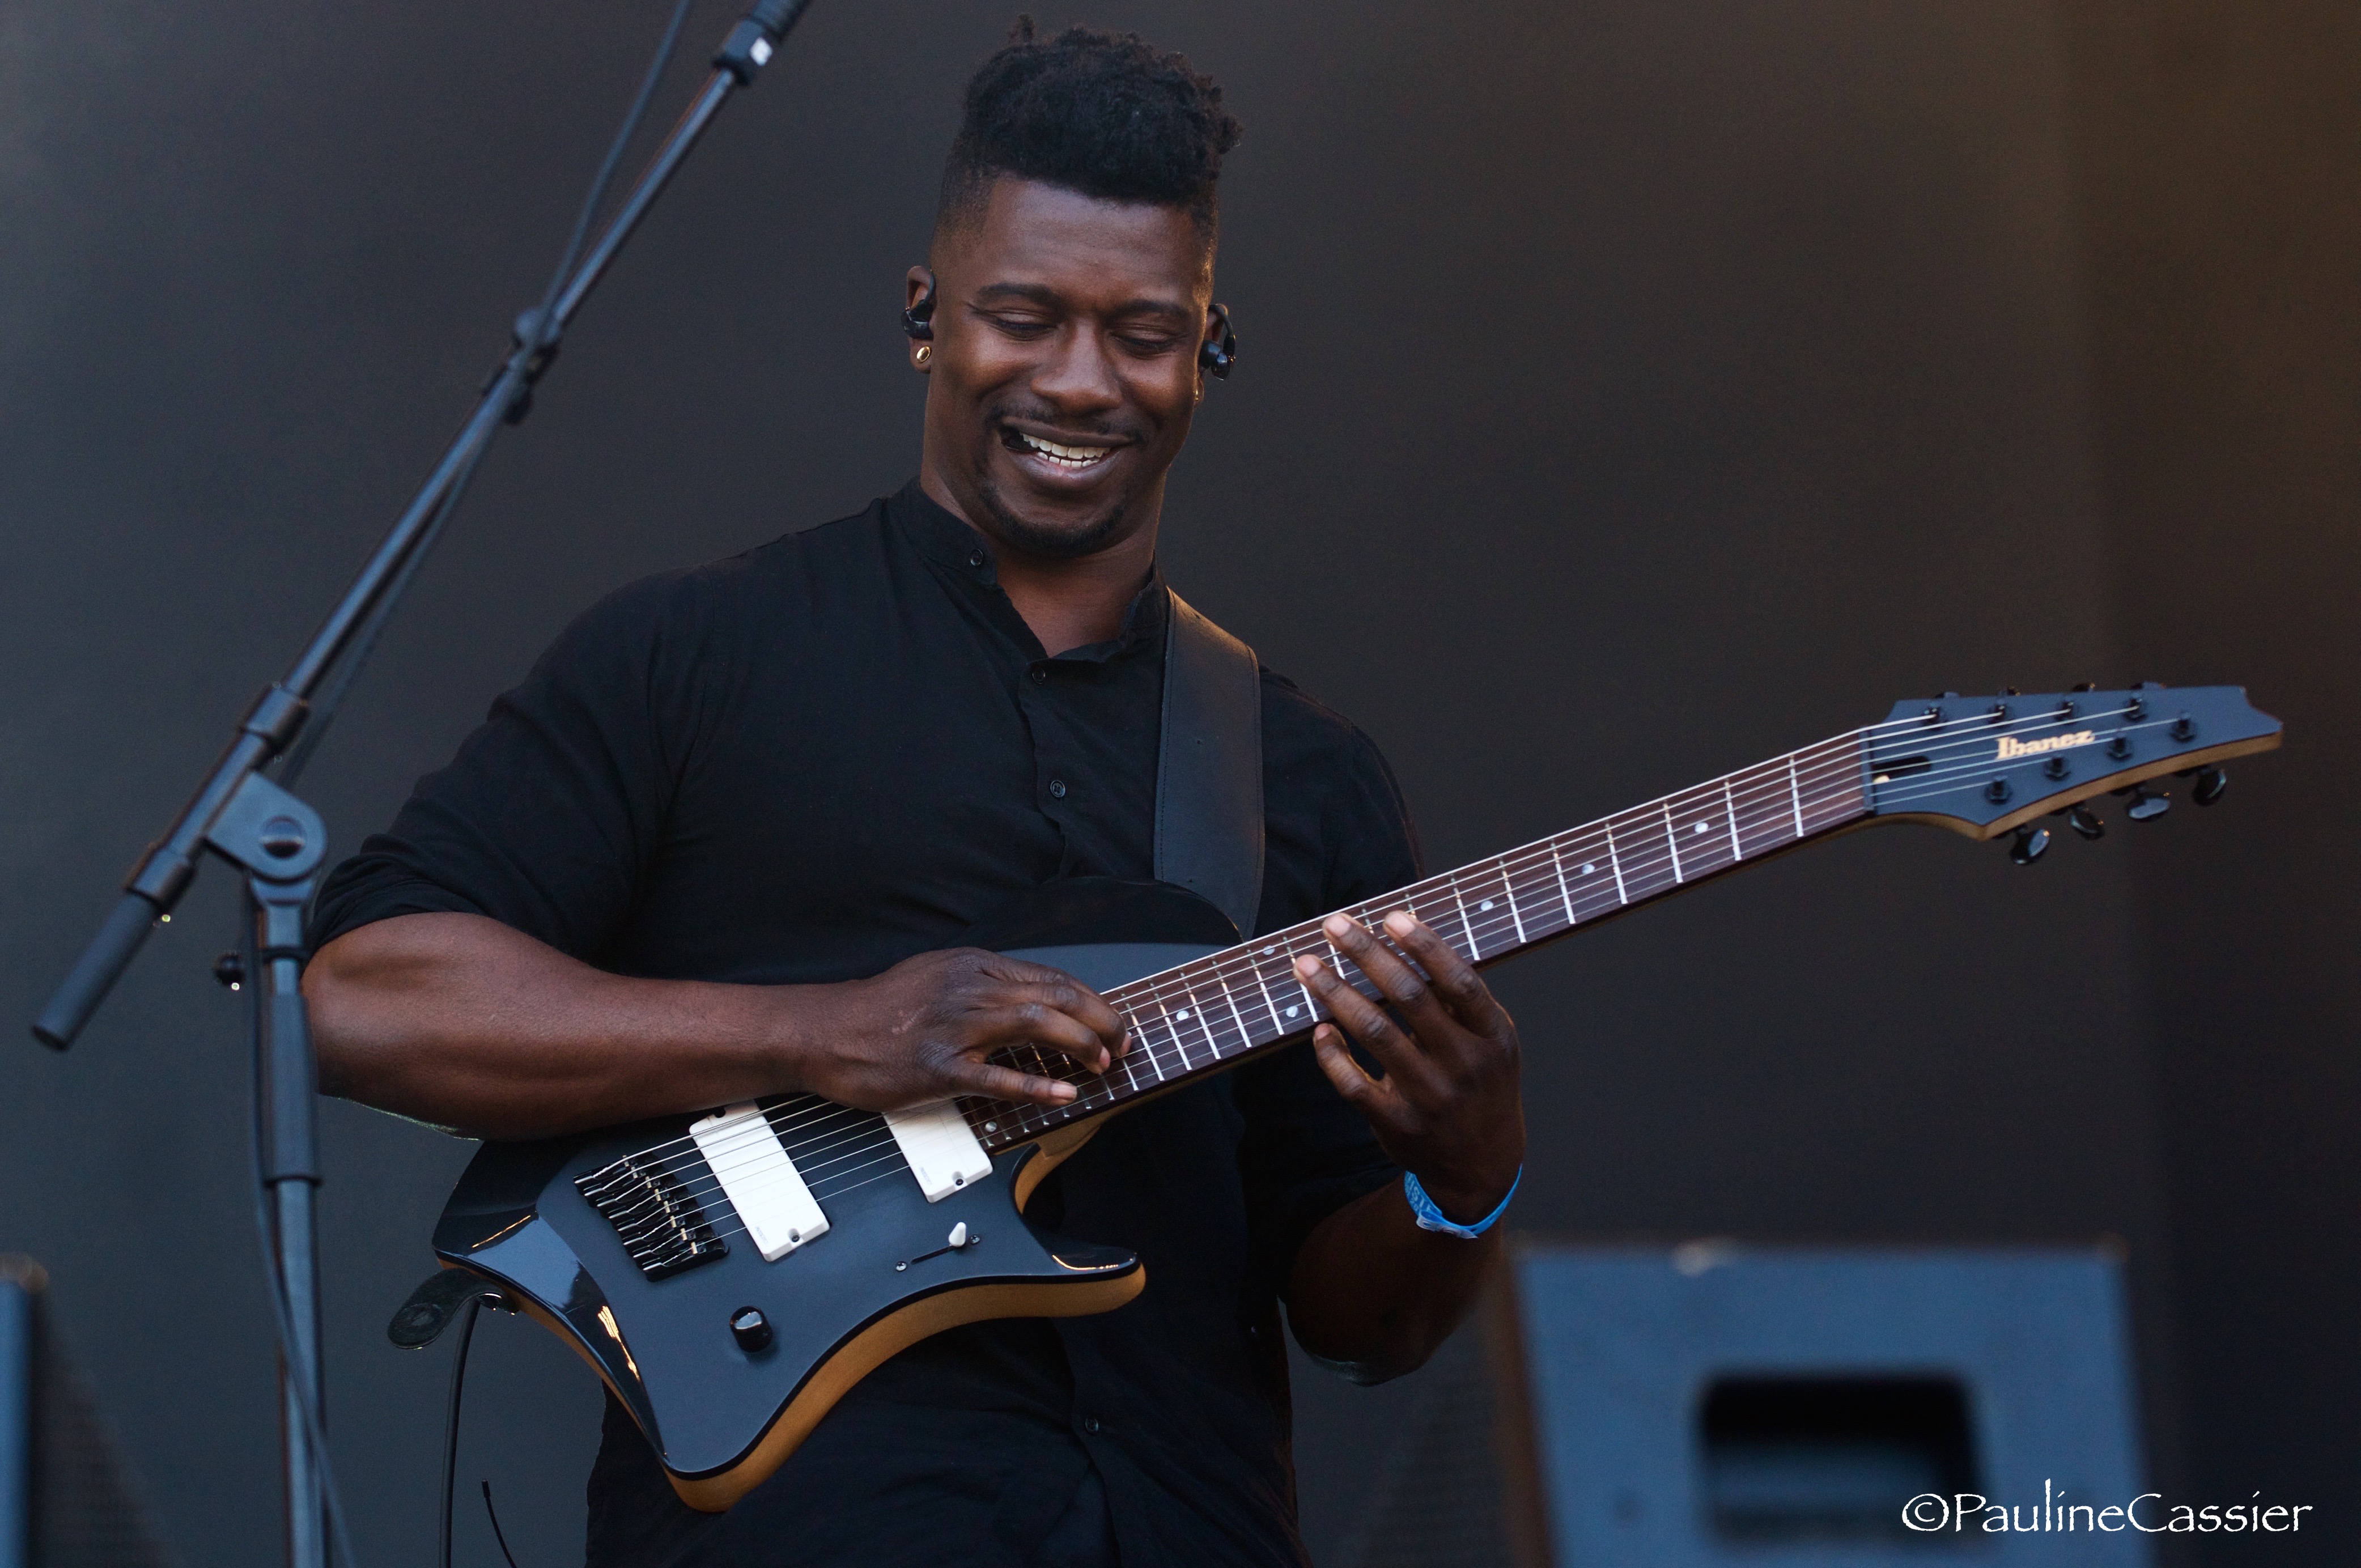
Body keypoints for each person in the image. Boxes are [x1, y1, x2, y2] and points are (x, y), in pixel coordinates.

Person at [304, 22, 1526, 1568]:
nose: (1080, 380)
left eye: (1143, 333)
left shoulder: (1302, 773)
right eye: (1026, 317)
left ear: (1209, 348)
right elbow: (364, 997)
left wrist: (1465, 1175)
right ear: (923, 316)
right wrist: (823, 1032)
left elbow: (1362, 1320)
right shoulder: (701, 654)